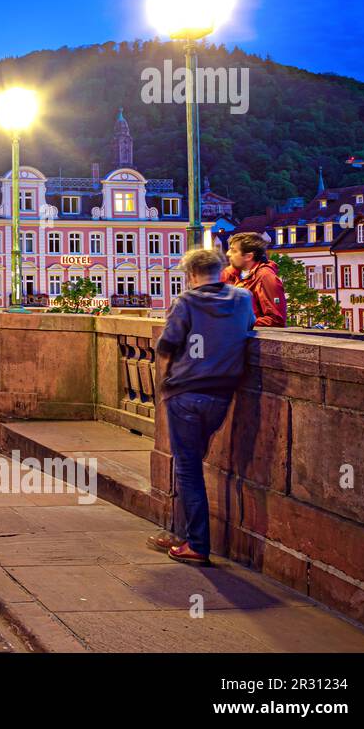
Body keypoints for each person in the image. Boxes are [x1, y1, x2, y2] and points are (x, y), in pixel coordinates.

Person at [150, 248, 255, 566]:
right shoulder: (242, 299)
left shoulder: (187, 301)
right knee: (193, 464)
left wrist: (163, 384)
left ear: (191, 274)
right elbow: (247, 330)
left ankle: (196, 543)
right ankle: (182, 535)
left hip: (187, 393)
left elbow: (166, 346)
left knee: (188, 468)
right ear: (220, 270)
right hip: (222, 394)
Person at [222, 232, 287, 328]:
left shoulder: (265, 277)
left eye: (233, 251)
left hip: (254, 339)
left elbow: (276, 319)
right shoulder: (233, 273)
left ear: (249, 256)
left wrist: (237, 322)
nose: (228, 254)